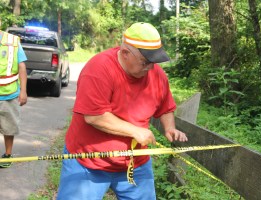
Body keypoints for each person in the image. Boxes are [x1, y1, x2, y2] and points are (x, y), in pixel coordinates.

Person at [57, 22, 188, 200]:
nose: (151, 67)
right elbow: (94, 116)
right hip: (88, 161)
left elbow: (165, 106)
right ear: (126, 53)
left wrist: (169, 128)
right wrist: (135, 131)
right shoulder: (98, 69)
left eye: (153, 62)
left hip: (135, 163)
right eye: (145, 62)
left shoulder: (156, 74)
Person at [0, 30, 27, 168]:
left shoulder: (12, 41)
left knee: (9, 127)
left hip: (8, 94)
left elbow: (22, 66)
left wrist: (23, 91)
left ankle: (7, 155)